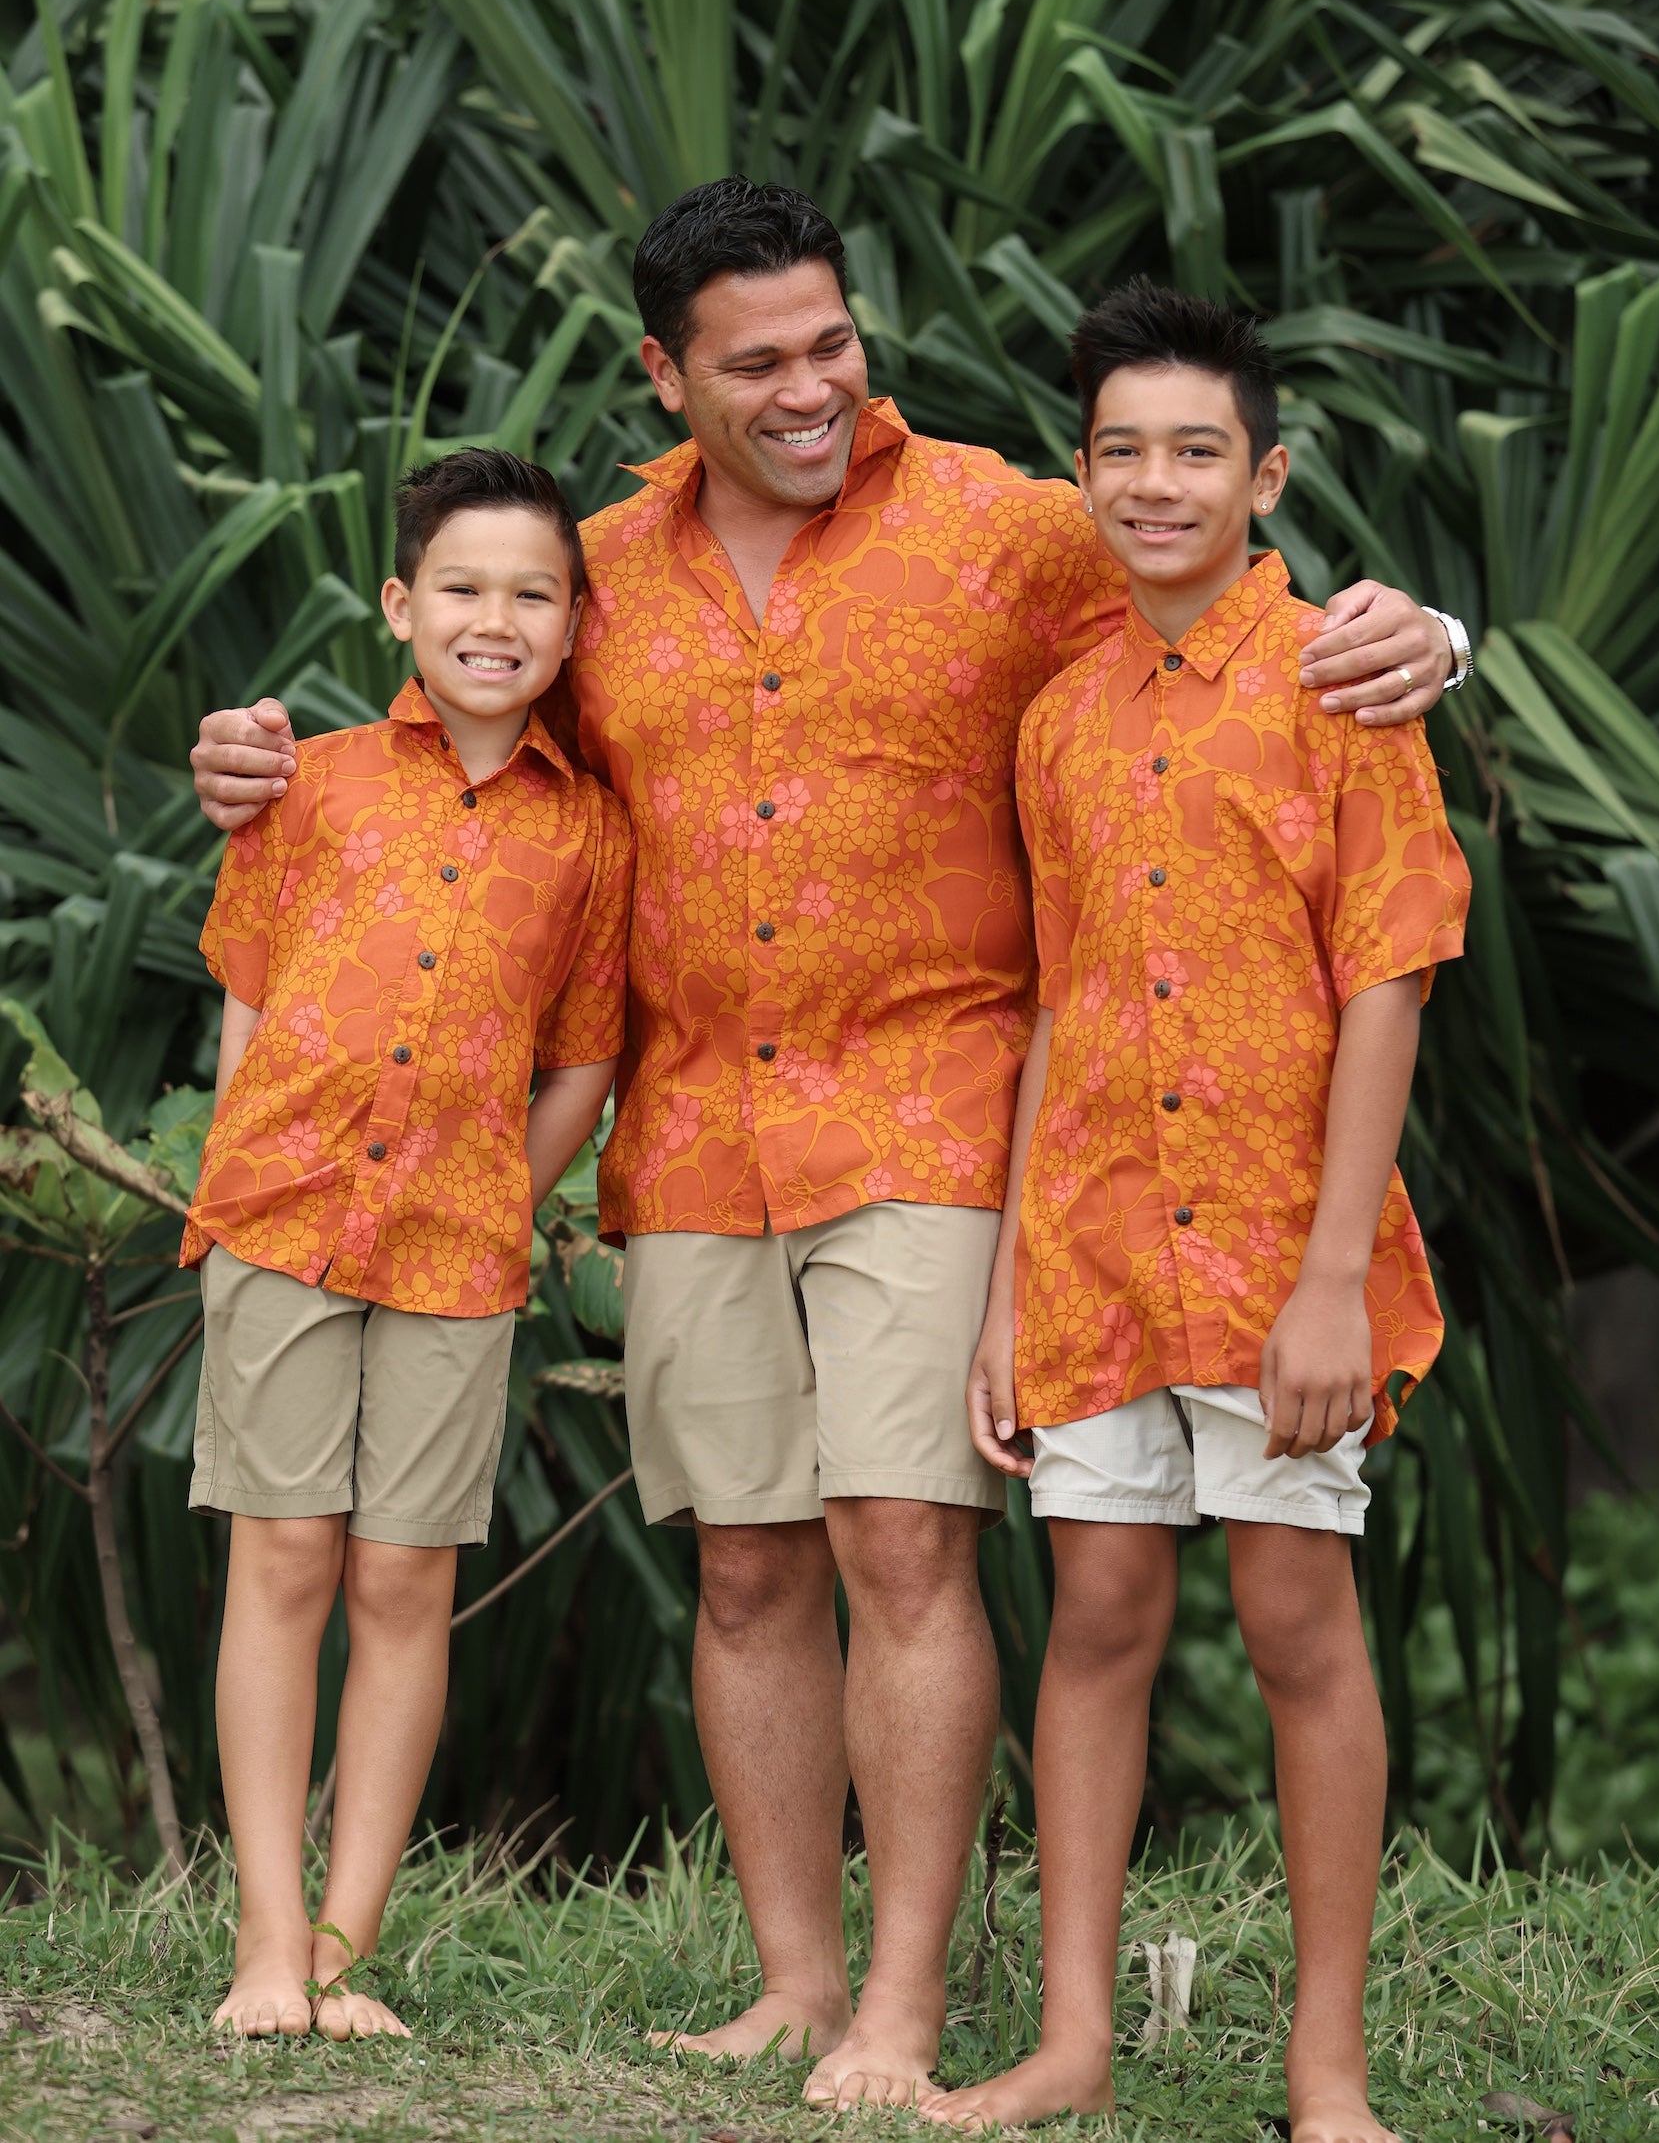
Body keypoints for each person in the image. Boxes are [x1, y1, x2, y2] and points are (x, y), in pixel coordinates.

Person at [188, 182, 1466, 2104]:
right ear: (666, 373)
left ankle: (901, 2009)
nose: (809, 387)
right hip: (695, 1123)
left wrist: (1433, 626)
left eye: (831, 343)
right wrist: (261, 768)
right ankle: (796, 1981)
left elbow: (1210, 587)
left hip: (937, 1109)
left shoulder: (1002, 530)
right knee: (748, 1570)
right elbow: (467, 716)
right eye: (757, 360)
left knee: (899, 1544)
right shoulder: (600, 567)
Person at [926, 283, 1469, 2139]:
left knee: (1300, 1619)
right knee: (1097, 1620)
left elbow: (1389, 977)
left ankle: (1330, 2075)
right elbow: (1062, 1008)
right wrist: (1008, 1291)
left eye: (1196, 452)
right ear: (1083, 476)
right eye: (1122, 452)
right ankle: (1074, 2041)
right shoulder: (1060, 719)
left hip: (1273, 1254)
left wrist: (1330, 1280)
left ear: (1267, 474)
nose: (1157, 484)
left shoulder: (1337, 682)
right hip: (1086, 1251)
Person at [184, 449, 632, 2039]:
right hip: (283, 1226)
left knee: (400, 1581)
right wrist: (241, 1179)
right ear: (401, 605)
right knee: (285, 1558)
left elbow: (583, 1054)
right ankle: (263, 1944)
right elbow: (246, 986)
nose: (494, 619)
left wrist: (504, 1195)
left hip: (457, 1249)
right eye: (463, 587)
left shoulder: (589, 836)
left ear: (576, 624)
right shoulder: (306, 784)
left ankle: (346, 1951)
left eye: (531, 594)